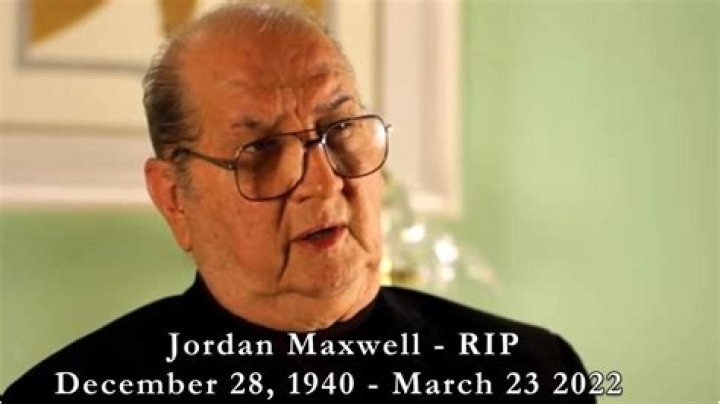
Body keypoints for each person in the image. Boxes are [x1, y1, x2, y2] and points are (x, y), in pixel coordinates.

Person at [3, 1, 595, 403]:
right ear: (175, 198)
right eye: (262, 150)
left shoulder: (531, 371)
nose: (322, 183)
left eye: (340, 130)